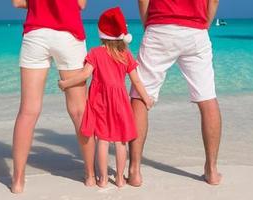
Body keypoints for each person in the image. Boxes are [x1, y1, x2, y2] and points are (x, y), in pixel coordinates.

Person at [128, 0, 223, 186]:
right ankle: (211, 170)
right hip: (196, 30)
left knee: (140, 96)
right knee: (207, 98)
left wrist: (149, 23)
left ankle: (134, 171)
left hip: (160, 26)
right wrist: (204, 24)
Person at [58, 7, 154, 188]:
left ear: (102, 33)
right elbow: (137, 81)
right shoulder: (125, 54)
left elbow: (85, 75)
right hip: (120, 103)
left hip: (100, 102)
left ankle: (102, 179)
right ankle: (119, 179)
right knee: (120, 141)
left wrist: (66, 83)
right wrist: (146, 99)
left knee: (102, 139)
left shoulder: (95, 53)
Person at [10, 0, 95, 194]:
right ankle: (90, 175)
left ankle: (18, 180)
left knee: (28, 111)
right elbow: (80, 4)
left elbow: (17, 3)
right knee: (79, 110)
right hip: (68, 34)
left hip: (36, 34)